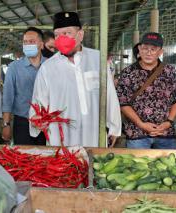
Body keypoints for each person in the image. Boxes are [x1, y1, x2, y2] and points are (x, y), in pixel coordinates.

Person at [29, 12, 121, 147]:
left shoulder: (98, 59)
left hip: (94, 132)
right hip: (60, 137)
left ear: (80, 35)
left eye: (67, 33)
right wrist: (37, 119)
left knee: (92, 165)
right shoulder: (47, 68)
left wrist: (114, 127)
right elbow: (38, 102)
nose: (61, 38)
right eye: (57, 35)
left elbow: (110, 95)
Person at [116, 32, 176, 149]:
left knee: (168, 166)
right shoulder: (128, 72)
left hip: (165, 133)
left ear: (160, 52)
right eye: (145, 49)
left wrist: (169, 122)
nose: (148, 53)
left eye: (153, 49)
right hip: (136, 134)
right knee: (138, 166)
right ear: (139, 48)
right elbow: (123, 102)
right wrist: (141, 124)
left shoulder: (169, 71)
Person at [2, 27, 47, 145]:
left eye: (32, 42)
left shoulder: (50, 65)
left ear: (41, 45)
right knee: (24, 157)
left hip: (47, 122)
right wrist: (6, 124)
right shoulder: (14, 67)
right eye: (25, 42)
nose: (27, 45)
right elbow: (8, 98)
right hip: (23, 123)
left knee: (48, 157)